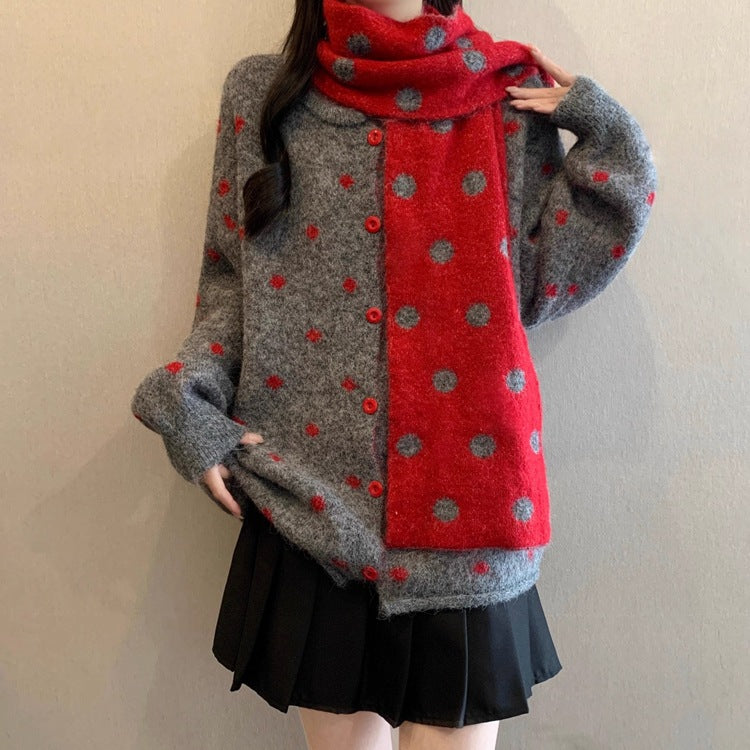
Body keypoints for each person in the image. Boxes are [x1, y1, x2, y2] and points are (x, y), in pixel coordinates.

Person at [130, 0, 657, 747]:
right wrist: (191, 405)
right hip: (308, 498)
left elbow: (538, 284)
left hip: (472, 503)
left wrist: (607, 133)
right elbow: (231, 286)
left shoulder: (504, 96)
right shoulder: (264, 94)